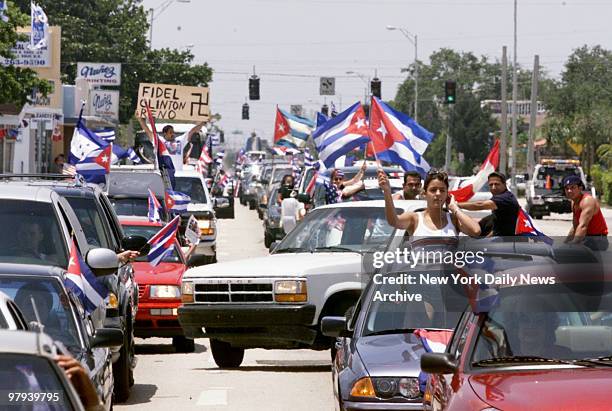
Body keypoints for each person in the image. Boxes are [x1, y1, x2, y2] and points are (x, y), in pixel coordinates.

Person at [378, 169, 481, 237]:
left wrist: (455, 208)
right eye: (433, 190)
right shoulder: (415, 218)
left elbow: (476, 231)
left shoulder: (453, 219)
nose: (438, 194)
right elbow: (393, 221)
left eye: (442, 190)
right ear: (424, 193)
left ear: (447, 194)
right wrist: (387, 191)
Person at [456, 172, 520, 238]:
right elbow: (495, 225)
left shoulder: (504, 198)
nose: (493, 187)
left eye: (497, 184)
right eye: (491, 185)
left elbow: (480, 205)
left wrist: (456, 206)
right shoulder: (501, 199)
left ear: (504, 184)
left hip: (500, 243)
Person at [138, 118, 207, 170]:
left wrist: (202, 123)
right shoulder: (159, 141)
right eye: (170, 132)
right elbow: (147, 130)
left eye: (173, 132)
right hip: (164, 176)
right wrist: (140, 120)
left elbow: (192, 131)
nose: (173, 134)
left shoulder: (180, 141)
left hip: (178, 175)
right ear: (165, 134)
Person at [563, 175, 609, 250]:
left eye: (572, 188)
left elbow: (583, 226)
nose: (569, 191)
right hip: (586, 238)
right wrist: (565, 243)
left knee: (571, 254)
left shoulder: (587, 201)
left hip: (598, 240)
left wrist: (573, 244)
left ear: (580, 188)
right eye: (567, 188)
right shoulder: (573, 202)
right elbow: (575, 226)